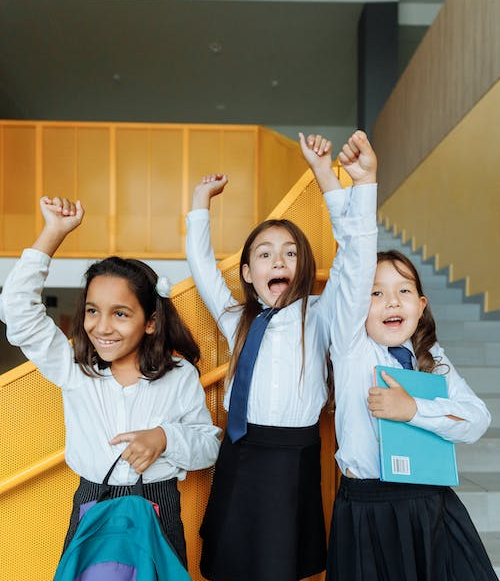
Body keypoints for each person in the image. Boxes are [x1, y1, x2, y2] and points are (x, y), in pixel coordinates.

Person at [185, 132, 374, 581]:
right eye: (266, 255)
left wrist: (326, 175)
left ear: (303, 268)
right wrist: (200, 203)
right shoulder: (237, 318)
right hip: (238, 452)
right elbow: (202, 265)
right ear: (249, 274)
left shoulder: (323, 313)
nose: (280, 261)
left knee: (279, 564)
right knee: (229, 560)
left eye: (291, 253)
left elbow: (356, 260)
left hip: (292, 458)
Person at [0, 196, 221, 567]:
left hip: (159, 505)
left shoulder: (178, 374)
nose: (102, 327)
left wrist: (164, 437)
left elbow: (208, 448)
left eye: (120, 314)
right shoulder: (74, 369)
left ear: (150, 321)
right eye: (92, 311)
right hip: (92, 502)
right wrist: (52, 234)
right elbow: (17, 312)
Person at [326, 131, 496, 580]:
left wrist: (412, 410)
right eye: (376, 293)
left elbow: (476, 420)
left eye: (404, 291)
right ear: (355, 308)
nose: (392, 302)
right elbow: (353, 262)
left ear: (422, 305)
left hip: (431, 504)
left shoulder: (429, 355)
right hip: (368, 508)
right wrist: (364, 186)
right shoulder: (351, 349)